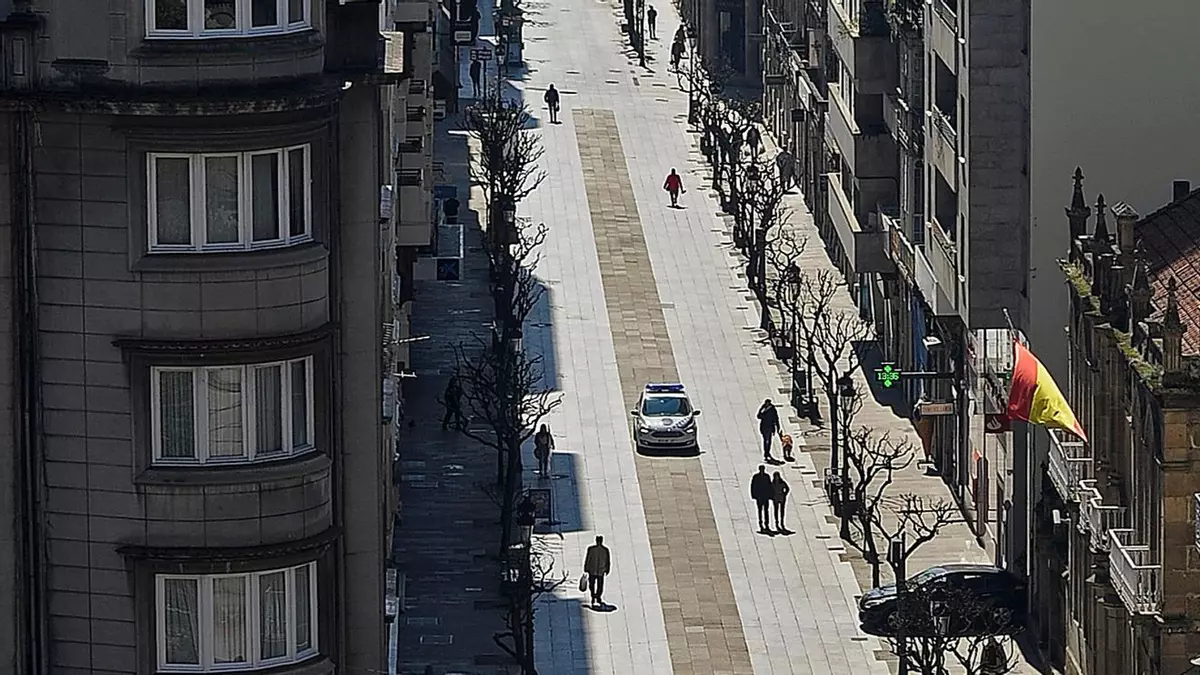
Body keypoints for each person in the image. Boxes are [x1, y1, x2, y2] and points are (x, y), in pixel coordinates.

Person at [584, 535, 611, 608]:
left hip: (593, 570)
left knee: (593, 584)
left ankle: (594, 596)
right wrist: (607, 569)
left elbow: (588, 559)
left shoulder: (591, 549)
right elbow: (608, 561)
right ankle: (597, 596)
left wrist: (586, 567)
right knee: (599, 585)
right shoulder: (605, 550)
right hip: (599, 570)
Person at [750, 465, 773, 533]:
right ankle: (760, 523)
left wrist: (770, 495)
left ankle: (766, 523)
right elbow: (753, 486)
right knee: (760, 510)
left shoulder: (767, 476)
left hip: (765, 496)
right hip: (759, 496)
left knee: (766, 510)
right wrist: (754, 495)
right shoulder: (756, 477)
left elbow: (769, 486)